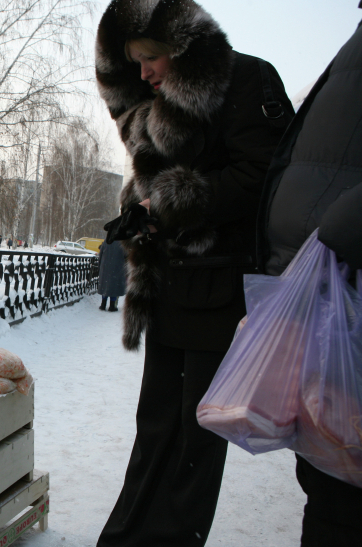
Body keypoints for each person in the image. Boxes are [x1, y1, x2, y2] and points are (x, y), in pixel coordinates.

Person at [94, 1, 294, 545]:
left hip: (221, 289)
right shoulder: (157, 103)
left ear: (183, 48)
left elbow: (269, 175)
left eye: (152, 57)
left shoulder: (248, 77)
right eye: (135, 62)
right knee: (156, 428)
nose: (144, 73)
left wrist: (178, 199)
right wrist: (143, 208)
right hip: (169, 287)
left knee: (194, 437)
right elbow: (165, 176)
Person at [257, 10, 362, 546]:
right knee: (328, 485)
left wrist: (343, 222)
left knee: (342, 496)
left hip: (345, 295)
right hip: (328, 307)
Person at [96, 240, 125, 312]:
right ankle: (112, 306)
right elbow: (126, 257)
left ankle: (103, 304)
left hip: (105, 268)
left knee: (105, 286)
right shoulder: (122, 243)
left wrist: (100, 267)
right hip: (117, 268)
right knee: (114, 287)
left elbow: (100, 255)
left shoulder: (106, 242)